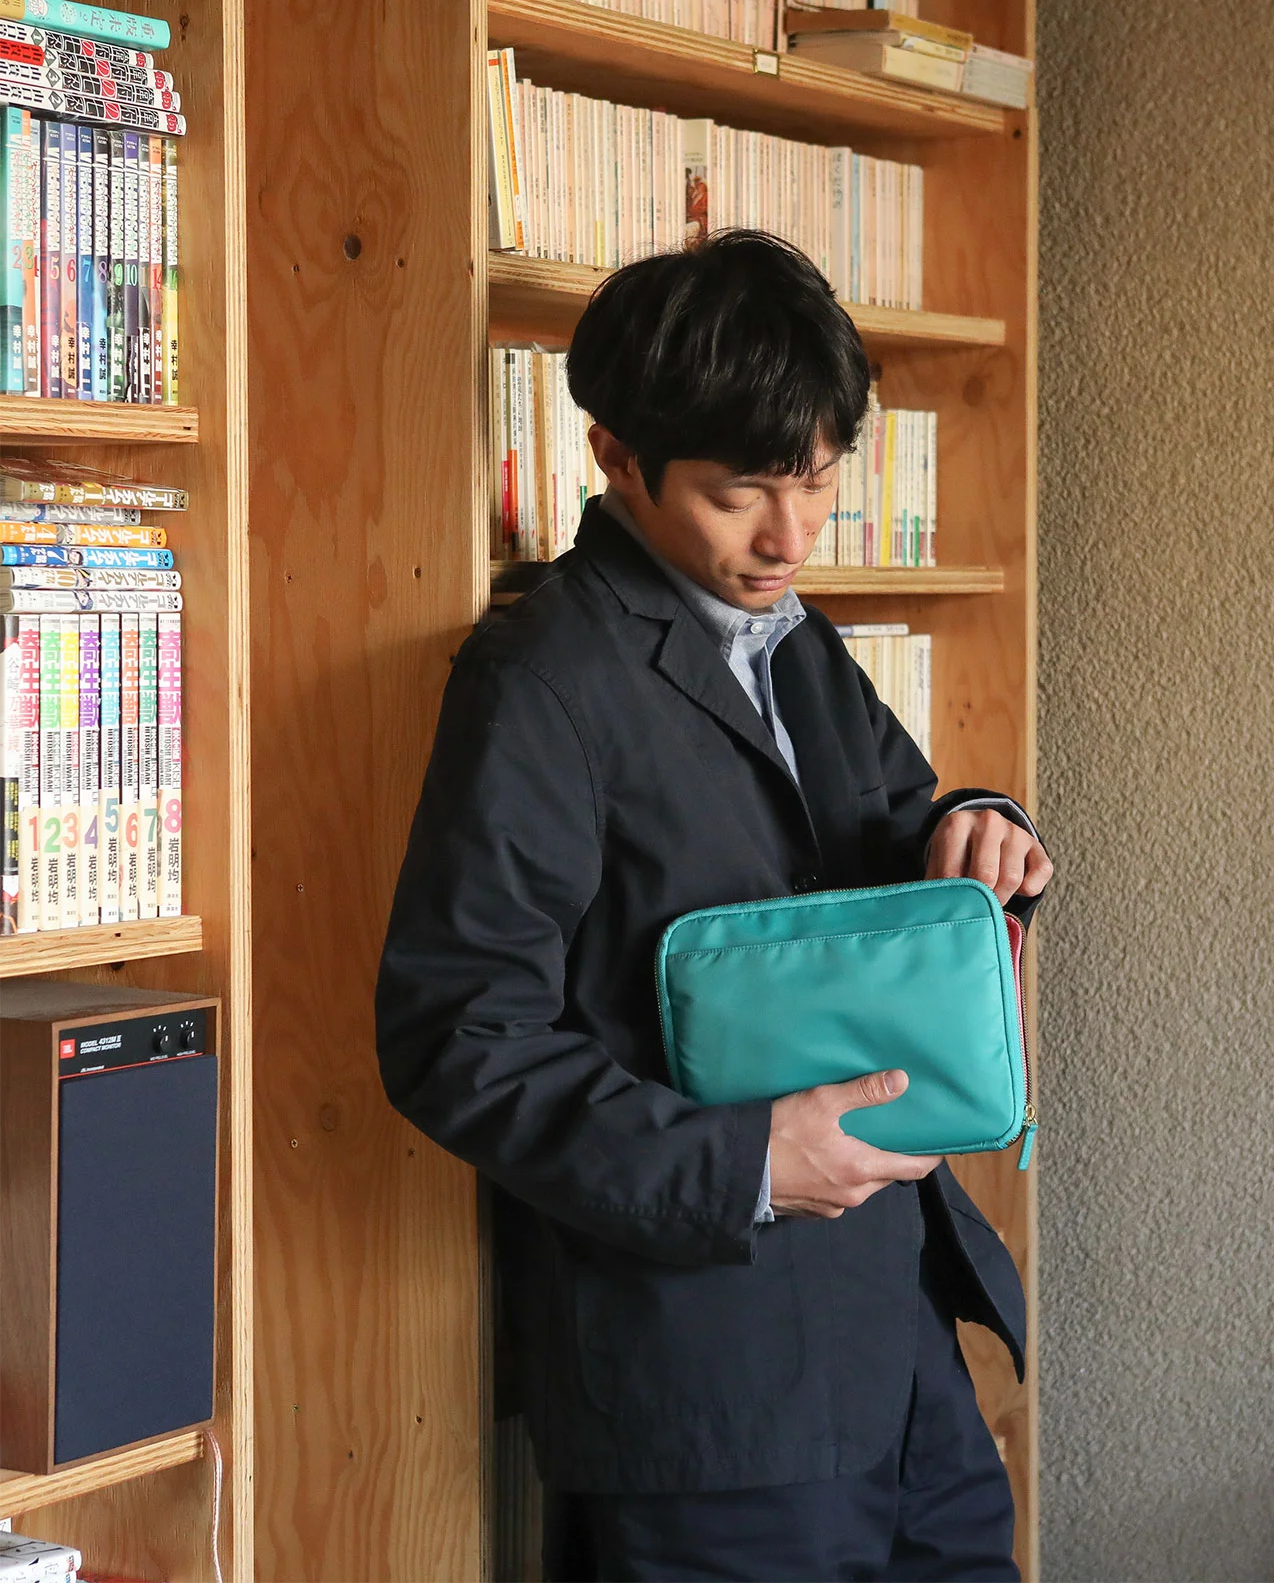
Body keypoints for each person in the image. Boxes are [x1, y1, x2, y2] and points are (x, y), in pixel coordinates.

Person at [375, 230, 1053, 1582]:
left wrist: (981, 825)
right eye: (741, 494)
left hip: (893, 1332)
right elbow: (455, 1038)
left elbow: (896, 827)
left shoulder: (794, 637)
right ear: (617, 458)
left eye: (817, 482)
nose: (788, 538)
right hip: (704, 1382)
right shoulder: (540, 681)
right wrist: (741, 1165)